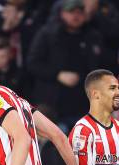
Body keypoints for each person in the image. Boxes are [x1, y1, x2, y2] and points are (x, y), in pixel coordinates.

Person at [26, 0, 105, 131]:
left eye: (80, 12)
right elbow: (33, 63)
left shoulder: (93, 36)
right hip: (52, 105)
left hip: (82, 105)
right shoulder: (47, 34)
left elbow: (99, 68)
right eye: (71, 12)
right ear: (62, 14)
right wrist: (57, 75)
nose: (76, 16)